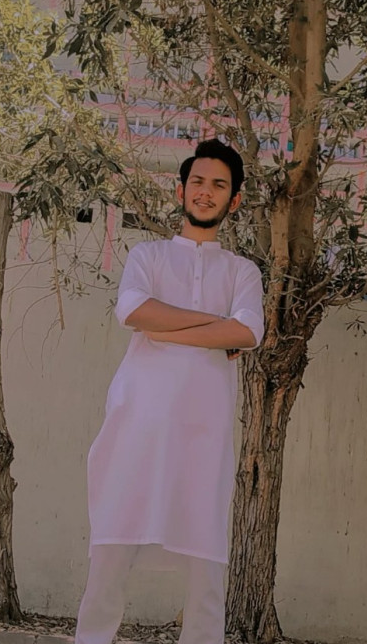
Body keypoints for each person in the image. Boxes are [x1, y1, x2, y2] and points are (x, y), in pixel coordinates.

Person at [75, 138, 264, 644]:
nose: (206, 192)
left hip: (204, 436)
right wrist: (215, 325)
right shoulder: (149, 256)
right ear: (181, 191)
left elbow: (248, 331)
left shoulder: (242, 271)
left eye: (218, 185)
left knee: (206, 578)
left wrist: (167, 328)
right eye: (198, 182)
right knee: (109, 559)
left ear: (234, 199)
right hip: (137, 427)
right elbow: (134, 311)